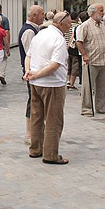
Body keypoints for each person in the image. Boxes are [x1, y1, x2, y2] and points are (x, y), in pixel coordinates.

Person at [23, 11, 72, 165]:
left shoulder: (40, 35)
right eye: (69, 24)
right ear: (61, 23)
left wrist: (28, 72)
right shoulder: (58, 39)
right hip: (52, 84)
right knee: (53, 120)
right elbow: (55, 65)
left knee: (36, 117)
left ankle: (35, 149)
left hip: (36, 84)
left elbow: (28, 56)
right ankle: (50, 154)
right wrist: (35, 74)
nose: (70, 26)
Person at [77, 4, 105, 116]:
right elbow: (79, 41)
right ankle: (86, 109)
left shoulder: (102, 24)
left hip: (104, 59)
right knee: (88, 86)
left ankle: (101, 107)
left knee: (102, 86)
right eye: (101, 11)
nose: (103, 13)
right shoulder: (85, 26)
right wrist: (84, 55)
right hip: (91, 60)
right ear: (93, 13)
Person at [19, 5, 45, 144]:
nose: (44, 16)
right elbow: (31, 54)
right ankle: (29, 134)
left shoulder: (35, 29)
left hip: (34, 71)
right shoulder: (29, 32)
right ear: (34, 15)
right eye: (41, 13)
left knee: (35, 100)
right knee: (33, 100)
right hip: (31, 71)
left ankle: (37, 131)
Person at [66, 12, 81, 90]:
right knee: (75, 66)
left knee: (69, 65)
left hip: (66, 47)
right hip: (74, 47)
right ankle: (71, 83)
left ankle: (68, 81)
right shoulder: (78, 26)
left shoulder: (66, 25)